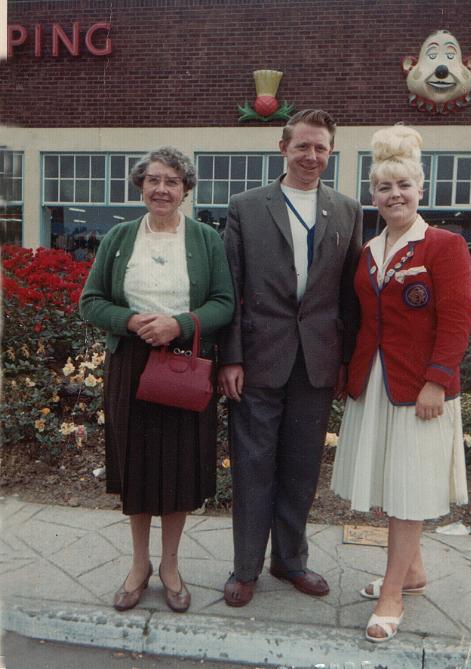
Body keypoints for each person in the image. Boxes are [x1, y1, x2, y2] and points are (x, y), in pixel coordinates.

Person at [331, 125, 471, 642]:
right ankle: (411, 572)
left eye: (404, 187)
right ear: (373, 195)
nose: (394, 196)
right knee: (392, 485)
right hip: (374, 382)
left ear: (421, 190)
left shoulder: (445, 244)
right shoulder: (369, 250)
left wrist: (438, 381)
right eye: (384, 188)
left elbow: (457, 320)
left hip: (421, 390)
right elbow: (363, 321)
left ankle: (392, 595)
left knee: (408, 490)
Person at [79, 147, 234, 613]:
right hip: (131, 365)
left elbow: (225, 302)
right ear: (140, 186)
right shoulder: (120, 237)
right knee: (137, 466)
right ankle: (138, 564)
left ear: (186, 189)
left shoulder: (206, 239)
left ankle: (170, 565)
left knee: (180, 467)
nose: (161, 188)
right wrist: (129, 321)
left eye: (171, 181)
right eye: (152, 180)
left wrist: (180, 325)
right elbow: (90, 301)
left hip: (185, 366)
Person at [218, 109, 363, 606]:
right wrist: (230, 358)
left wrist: (345, 360)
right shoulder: (246, 206)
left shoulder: (346, 209)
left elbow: (349, 294)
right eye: (303, 146)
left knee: (302, 466)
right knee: (253, 465)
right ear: (283, 147)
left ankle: (291, 561)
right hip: (258, 357)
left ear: (330, 152)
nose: (312, 156)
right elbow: (230, 287)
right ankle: (245, 569)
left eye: (321, 148)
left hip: (317, 361)